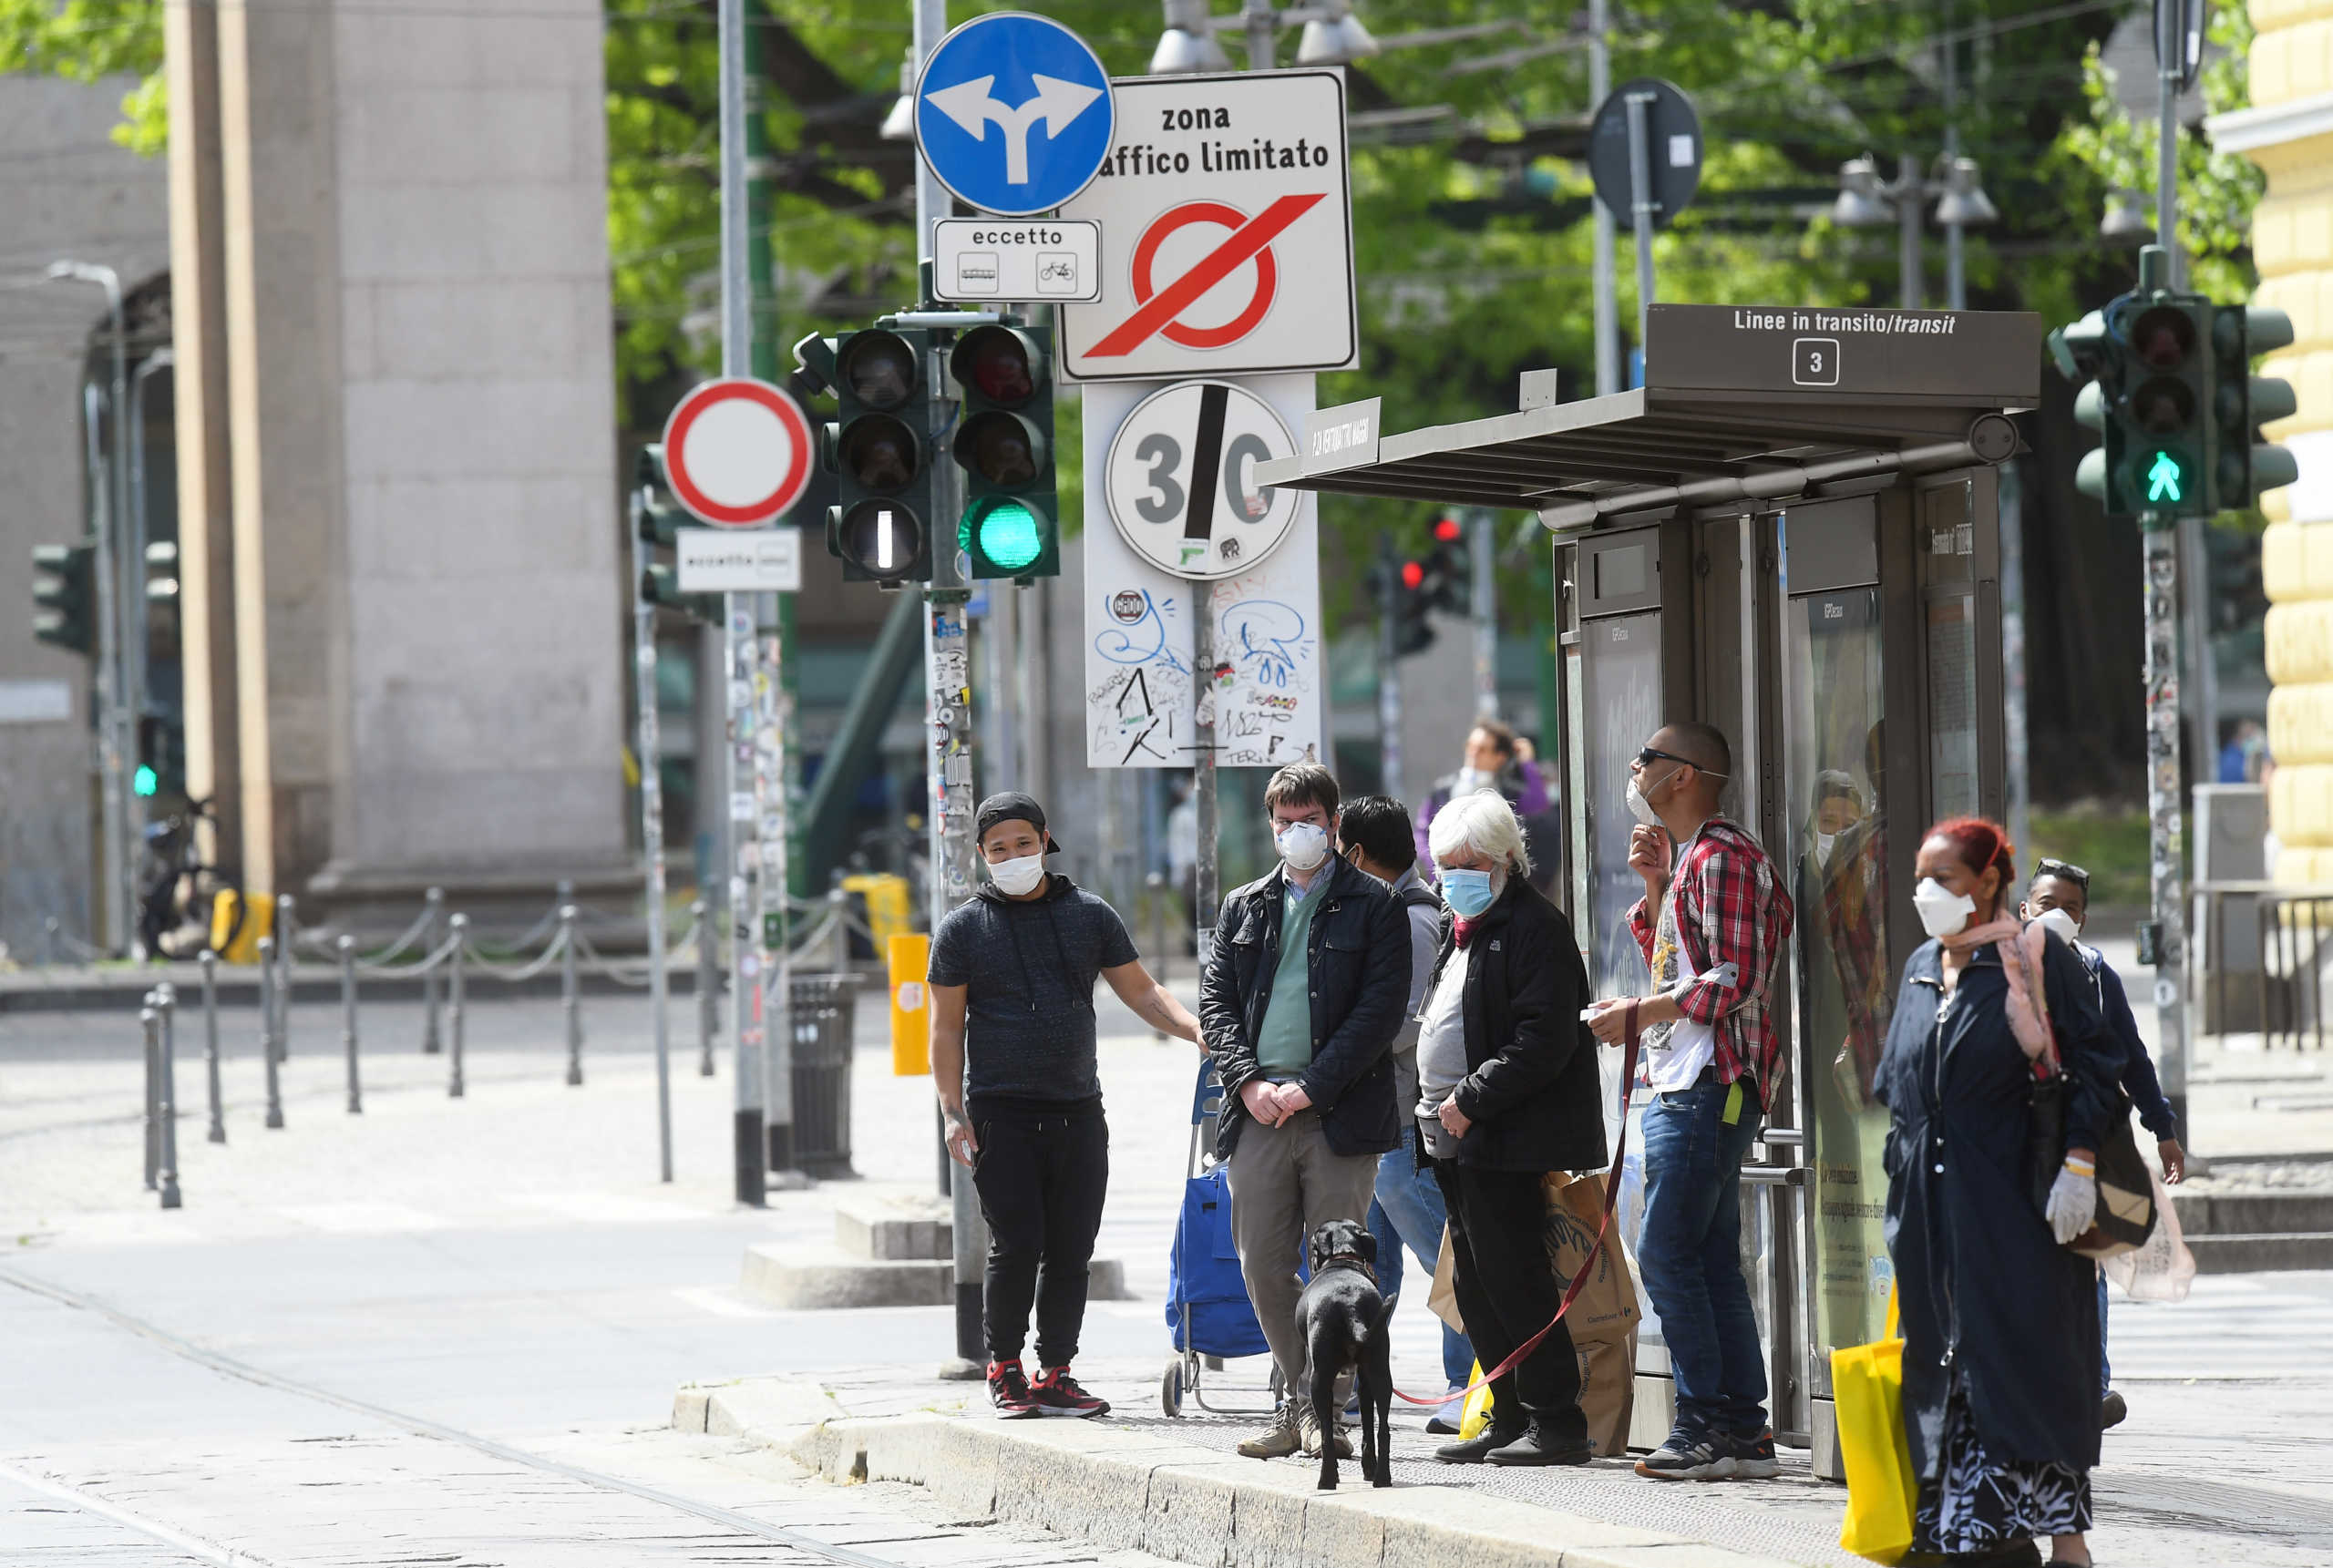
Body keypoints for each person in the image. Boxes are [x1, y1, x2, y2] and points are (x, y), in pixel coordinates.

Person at [1877, 818, 2118, 1567]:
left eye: (1943, 878)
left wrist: (2080, 1161)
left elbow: (2100, 1066)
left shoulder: (2039, 962)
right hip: (1931, 1235)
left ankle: (2044, 1541)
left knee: (2026, 1378)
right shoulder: (1922, 965)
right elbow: (1900, 1090)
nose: (1926, 892)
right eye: (1920, 876)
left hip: (2020, 1225)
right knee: (1943, 1387)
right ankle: (1975, 1536)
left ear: (1988, 881)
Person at [929, 792, 1204, 1419]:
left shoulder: (1089, 915)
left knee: (1072, 1245)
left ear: (1045, 841)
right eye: (998, 848)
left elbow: (1141, 988)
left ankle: (1057, 1371)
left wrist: (1193, 1028)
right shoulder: (964, 929)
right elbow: (945, 1028)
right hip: (1000, 1110)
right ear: (982, 855)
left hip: (1079, 1108)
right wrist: (951, 1109)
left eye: (1023, 843)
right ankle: (1004, 1366)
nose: (1013, 856)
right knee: (1017, 1241)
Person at [1586, 722, 1794, 1481]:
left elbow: (1736, 979)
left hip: (1713, 1086)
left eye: (1646, 758)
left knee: (1666, 1252)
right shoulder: (1692, 860)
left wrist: (1638, 1015)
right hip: (1688, 1080)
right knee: (1705, 1256)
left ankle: (1706, 1421)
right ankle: (1742, 1427)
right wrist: (1654, 888)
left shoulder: (1725, 857)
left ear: (1685, 775)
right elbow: (1681, 963)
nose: (1633, 767)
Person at [1201, 762, 1410, 1461]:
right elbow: (1217, 1006)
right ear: (1270, 825)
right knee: (1262, 1261)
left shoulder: (1374, 905)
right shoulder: (1245, 905)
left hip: (1337, 1112)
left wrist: (1313, 1084)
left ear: (1334, 823)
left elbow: (1377, 1013)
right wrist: (1248, 1081)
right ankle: (1303, 1401)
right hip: (1258, 1110)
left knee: (1342, 1269)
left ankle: (1329, 1414)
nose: (1296, 832)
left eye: (1310, 820)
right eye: (1284, 821)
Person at [1417, 791, 1608, 1466]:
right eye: (1444, 866)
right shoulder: (1463, 925)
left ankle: (1555, 1419)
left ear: (1503, 860)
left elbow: (1541, 1038)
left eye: (1466, 864)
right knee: (1478, 1281)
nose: (1453, 877)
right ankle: (1507, 1410)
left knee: (1517, 1277)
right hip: (1456, 1137)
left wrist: (1470, 1098)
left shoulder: (1534, 927)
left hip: (1504, 1133)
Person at [2021, 856, 2189, 1432]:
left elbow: (2131, 1058)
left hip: (2085, 1142)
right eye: (2048, 906)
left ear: (2085, 920)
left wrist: (2162, 1127)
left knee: (2087, 1265)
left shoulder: (2095, 974)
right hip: (2017, 1145)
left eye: (2071, 909)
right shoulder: (1999, 969)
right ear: (2024, 911)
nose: (2059, 916)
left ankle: (2090, 1389)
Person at [1332, 793, 1475, 1432]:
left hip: (1405, 1118)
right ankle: (1363, 1382)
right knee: (1375, 1262)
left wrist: (1335, 1045)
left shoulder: (1412, 919)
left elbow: (1407, 1021)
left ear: (1357, 854)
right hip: (1377, 1115)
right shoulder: (1389, 909)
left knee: (1448, 1252)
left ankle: (1466, 1381)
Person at [1414, 717, 1561, 893]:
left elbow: (1538, 804)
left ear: (1500, 757)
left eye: (1482, 749)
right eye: (1471, 746)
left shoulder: (1509, 793)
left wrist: (1527, 763)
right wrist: (1438, 870)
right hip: (1450, 884)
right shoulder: (1443, 790)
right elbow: (1422, 833)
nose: (1473, 753)